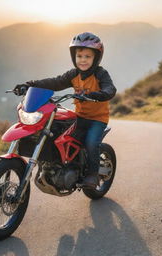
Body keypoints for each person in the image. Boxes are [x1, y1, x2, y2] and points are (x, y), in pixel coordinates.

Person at [14, 32, 117, 188]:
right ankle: (61, 166)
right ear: (74, 57)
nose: (83, 60)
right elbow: (55, 82)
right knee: (59, 136)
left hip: (97, 119)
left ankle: (93, 175)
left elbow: (110, 89)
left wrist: (97, 94)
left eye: (87, 57)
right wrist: (30, 85)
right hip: (79, 116)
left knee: (90, 142)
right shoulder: (73, 74)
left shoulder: (101, 74)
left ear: (96, 58)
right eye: (79, 56)